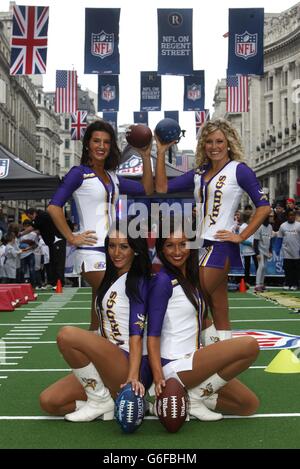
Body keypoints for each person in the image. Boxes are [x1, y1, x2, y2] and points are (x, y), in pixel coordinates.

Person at [155, 118, 271, 341]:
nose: (214, 146)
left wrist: (241, 236)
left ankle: (196, 354)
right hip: (197, 244)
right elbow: (162, 187)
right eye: (209, 141)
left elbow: (264, 207)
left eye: (219, 141)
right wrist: (160, 152)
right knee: (218, 306)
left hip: (220, 245)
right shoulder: (199, 172)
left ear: (228, 143)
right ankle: (223, 356)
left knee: (190, 299)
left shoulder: (240, 170)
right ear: (203, 145)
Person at [147, 215, 260, 421]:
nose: (177, 251)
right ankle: (197, 396)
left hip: (195, 361)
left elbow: (201, 320)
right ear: (161, 249)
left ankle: (188, 399)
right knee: (249, 346)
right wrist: (157, 377)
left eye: (183, 244)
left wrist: (216, 351)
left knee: (247, 405)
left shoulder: (190, 278)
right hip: (174, 365)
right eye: (170, 245)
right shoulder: (162, 281)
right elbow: (152, 335)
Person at [39, 217, 152, 422]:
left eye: (124, 247)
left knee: (67, 336)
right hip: (106, 363)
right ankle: (107, 401)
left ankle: (100, 399)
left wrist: (133, 376)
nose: (116, 253)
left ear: (135, 249)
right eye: (112, 246)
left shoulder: (140, 282)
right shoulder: (110, 278)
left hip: (129, 364)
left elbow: (137, 335)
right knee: (50, 402)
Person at [47, 120, 153, 331]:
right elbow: (53, 207)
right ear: (88, 144)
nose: (101, 146)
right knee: (119, 297)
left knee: (100, 309)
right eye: (96, 141)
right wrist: (72, 237)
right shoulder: (78, 173)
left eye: (106, 142)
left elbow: (147, 189)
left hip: (112, 251)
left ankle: (91, 356)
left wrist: (145, 156)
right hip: (90, 252)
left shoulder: (113, 177)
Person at [23, 208, 67, 289]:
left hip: (57, 240)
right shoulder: (41, 217)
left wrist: (21, 233)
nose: (31, 219)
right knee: (52, 262)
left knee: (58, 262)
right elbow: (41, 228)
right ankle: (53, 282)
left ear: (33, 213)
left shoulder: (41, 216)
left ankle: (59, 282)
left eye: (30, 217)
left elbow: (32, 227)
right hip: (51, 242)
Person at [276, 210, 300, 291]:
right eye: (290, 215)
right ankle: (288, 283)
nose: (291, 216)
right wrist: (277, 249)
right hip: (286, 252)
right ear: (287, 216)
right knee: (287, 268)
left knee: (296, 269)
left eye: (293, 215)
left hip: (297, 251)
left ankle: (295, 284)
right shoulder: (283, 226)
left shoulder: (298, 225)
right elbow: (279, 238)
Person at [253, 214, 274, 292]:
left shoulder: (270, 227)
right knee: (261, 266)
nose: (270, 218)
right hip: (260, 250)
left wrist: (270, 250)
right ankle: (257, 284)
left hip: (266, 250)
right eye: (269, 217)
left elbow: (270, 239)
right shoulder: (259, 227)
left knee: (264, 267)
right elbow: (255, 241)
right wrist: (257, 253)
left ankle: (261, 284)